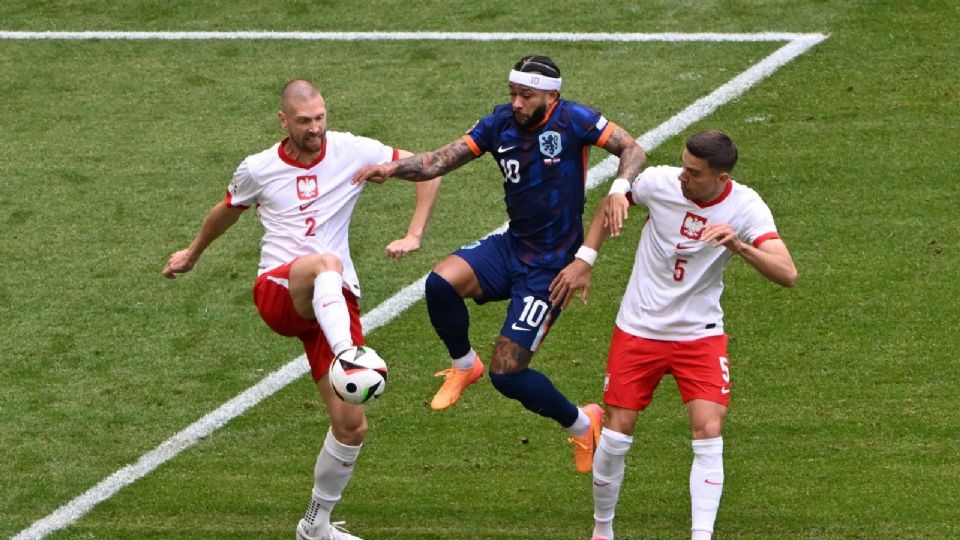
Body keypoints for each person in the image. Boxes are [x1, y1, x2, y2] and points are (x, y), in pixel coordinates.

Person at [162, 79, 440, 540]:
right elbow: (227, 210)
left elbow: (428, 168)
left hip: (333, 302)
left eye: (321, 118)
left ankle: (315, 525)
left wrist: (414, 234)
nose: (316, 129)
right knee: (324, 262)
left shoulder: (353, 149)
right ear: (284, 121)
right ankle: (350, 355)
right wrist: (192, 254)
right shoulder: (259, 167)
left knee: (351, 425)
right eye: (306, 121)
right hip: (280, 290)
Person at [351, 55, 647, 474]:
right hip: (513, 246)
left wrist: (620, 188)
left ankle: (583, 422)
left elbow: (633, 148)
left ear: (551, 96)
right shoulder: (497, 125)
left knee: (508, 374)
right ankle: (463, 365)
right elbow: (438, 160)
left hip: (553, 268)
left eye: (526, 95)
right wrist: (391, 169)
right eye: (513, 94)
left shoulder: (575, 120)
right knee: (439, 283)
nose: (517, 103)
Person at [549, 130, 797, 540]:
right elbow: (610, 205)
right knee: (616, 431)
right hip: (639, 328)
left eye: (694, 172)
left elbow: (787, 273)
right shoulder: (660, 183)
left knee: (709, 428)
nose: (683, 176)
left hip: (699, 334)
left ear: (721, 177)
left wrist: (738, 245)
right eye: (684, 165)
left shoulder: (745, 206)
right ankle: (602, 530)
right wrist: (585, 259)